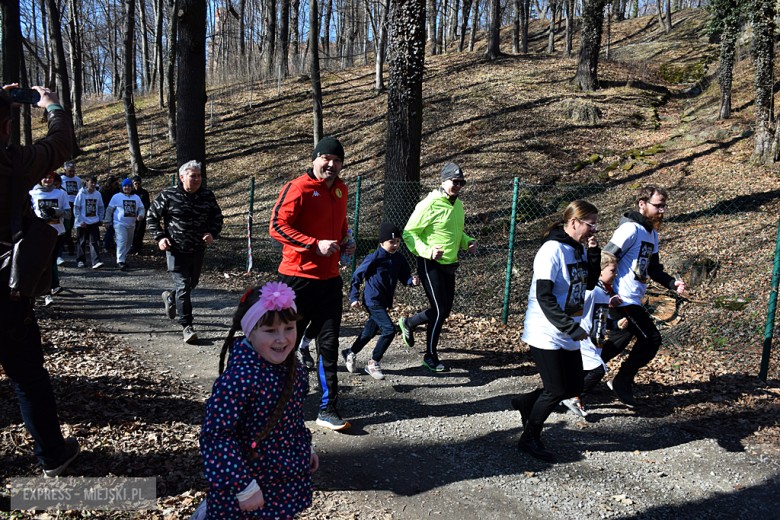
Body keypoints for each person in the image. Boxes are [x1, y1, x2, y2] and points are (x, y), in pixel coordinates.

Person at [0, 84, 80, 476]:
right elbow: (60, 144)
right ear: (6, 127)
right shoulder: (11, 161)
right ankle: (52, 455)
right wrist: (52, 106)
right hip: (4, 291)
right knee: (27, 374)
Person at [200, 281, 318, 518]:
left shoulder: (294, 369)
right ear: (250, 331)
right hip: (246, 487)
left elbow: (292, 419)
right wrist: (243, 485)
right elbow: (215, 435)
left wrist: (306, 446)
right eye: (270, 330)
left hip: (281, 481)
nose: (282, 339)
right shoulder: (239, 378)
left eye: (289, 327)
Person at [268, 136, 355, 431]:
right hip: (297, 279)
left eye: (337, 160)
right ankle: (275, 403)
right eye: (326, 158)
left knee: (328, 344)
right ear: (315, 158)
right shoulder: (298, 188)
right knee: (285, 343)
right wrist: (313, 244)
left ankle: (327, 409)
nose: (331, 164)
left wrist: (346, 242)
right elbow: (277, 226)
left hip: (330, 281)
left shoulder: (342, 189)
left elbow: (341, 223)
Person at [511, 200, 600, 462]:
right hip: (545, 329)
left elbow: (590, 284)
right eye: (590, 224)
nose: (594, 230)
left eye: (596, 225)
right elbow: (544, 297)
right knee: (555, 389)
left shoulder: (579, 249)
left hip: (567, 328)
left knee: (572, 386)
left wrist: (593, 253)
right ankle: (529, 438)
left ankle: (526, 403)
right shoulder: (551, 250)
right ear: (574, 223)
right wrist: (570, 327)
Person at [601, 186, 685, 407]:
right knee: (651, 339)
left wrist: (671, 283)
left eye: (664, 206)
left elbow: (654, 269)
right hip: (620, 297)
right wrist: (606, 291)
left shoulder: (652, 233)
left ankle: (579, 378)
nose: (662, 211)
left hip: (633, 298)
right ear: (642, 204)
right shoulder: (629, 230)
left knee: (619, 341)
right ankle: (622, 381)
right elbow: (606, 257)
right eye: (657, 205)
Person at [399, 162, 477, 372]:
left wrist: (467, 242)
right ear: (443, 181)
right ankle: (430, 356)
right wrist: (428, 251)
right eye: (455, 181)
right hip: (429, 262)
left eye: (462, 182)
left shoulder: (458, 205)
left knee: (443, 310)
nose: (459, 185)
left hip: (449, 264)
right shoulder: (429, 204)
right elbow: (409, 233)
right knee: (440, 309)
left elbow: (457, 232)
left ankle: (409, 323)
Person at [147, 160, 223, 343]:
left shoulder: (207, 196)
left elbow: (217, 218)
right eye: (193, 176)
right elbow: (151, 216)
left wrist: (212, 233)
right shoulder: (168, 195)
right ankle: (187, 326)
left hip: (197, 250)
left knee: (191, 283)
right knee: (183, 286)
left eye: (199, 176)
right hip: (175, 250)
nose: (197, 179)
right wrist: (160, 238)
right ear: (182, 177)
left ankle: (169, 296)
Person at [343, 223, 419, 380]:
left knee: (369, 332)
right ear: (382, 242)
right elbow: (357, 276)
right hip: (372, 301)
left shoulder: (399, 259)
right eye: (392, 242)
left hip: (384, 302)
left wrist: (412, 281)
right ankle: (373, 362)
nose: (395, 245)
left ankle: (350, 352)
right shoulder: (374, 258)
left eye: (397, 241)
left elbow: (405, 278)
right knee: (389, 330)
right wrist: (354, 297)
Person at [560, 252, 628, 417]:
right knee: (598, 369)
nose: (616, 274)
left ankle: (566, 399)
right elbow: (574, 311)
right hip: (585, 338)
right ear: (600, 271)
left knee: (583, 372)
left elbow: (600, 318)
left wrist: (615, 324)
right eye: (612, 270)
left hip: (596, 339)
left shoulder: (604, 292)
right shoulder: (591, 291)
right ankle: (572, 397)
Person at [29, 172, 70, 306]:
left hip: (56, 233)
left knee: (49, 262)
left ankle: (48, 292)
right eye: (45, 177)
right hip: (38, 234)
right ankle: (36, 291)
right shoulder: (32, 193)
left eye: (50, 178)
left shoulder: (60, 194)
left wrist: (56, 212)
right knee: (39, 263)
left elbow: (69, 214)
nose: (48, 180)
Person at [105, 179, 145, 271]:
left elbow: (141, 208)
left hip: (131, 224)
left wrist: (141, 215)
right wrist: (107, 221)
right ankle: (120, 261)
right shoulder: (116, 197)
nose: (127, 188)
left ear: (131, 187)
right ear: (122, 187)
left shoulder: (136, 197)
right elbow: (109, 209)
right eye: (125, 186)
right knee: (121, 241)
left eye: (129, 186)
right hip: (119, 223)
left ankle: (123, 258)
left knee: (128, 242)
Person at [73, 175, 105, 269]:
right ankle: (81, 260)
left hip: (93, 221)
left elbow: (100, 207)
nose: (93, 185)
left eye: (95, 183)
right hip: (82, 222)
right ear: (87, 183)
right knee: (81, 242)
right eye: (92, 183)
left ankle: (95, 261)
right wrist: (80, 220)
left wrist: (100, 218)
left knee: (94, 242)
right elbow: (76, 208)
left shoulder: (97, 194)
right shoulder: (81, 194)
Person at [60, 161, 80, 256]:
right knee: (64, 226)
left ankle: (68, 245)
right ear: (65, 170)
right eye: (69, 171)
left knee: (70, 226)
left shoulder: (78, 180)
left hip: (74, 204)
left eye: (73, 171)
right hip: (65, 204)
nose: (72, 173)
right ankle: (64, 245)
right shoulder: (61, 179)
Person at [130, 175, 150, 254]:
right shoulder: (131, 193)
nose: (137, 185)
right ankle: (133, 246)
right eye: (135, 184)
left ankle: (138, 247)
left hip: (141, 215)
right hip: (132, 214)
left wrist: (143, 213)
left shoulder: (144, 193)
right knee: (132, 231)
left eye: (138, 184)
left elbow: (147, 204)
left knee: (140, 231)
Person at [100, 175, 119, 252]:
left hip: (115, 211)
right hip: (107, 211)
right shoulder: (104, 191)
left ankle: (111, 242)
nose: (116, 185)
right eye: (115, 183)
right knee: (110, 228)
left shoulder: (117, 190)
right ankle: (105, 244)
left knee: (113, 227)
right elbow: (103, 203)